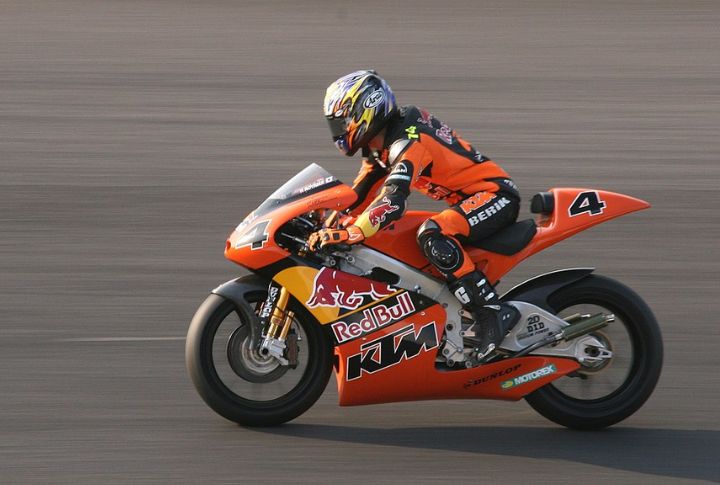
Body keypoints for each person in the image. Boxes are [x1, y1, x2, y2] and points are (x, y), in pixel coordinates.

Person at [309, 70, 520, 358]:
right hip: (470, 200)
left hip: (495, 196)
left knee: (432, 233)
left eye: (343, 121)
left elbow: (393, 200)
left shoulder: (409, 139)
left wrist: (354, 231)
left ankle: (492, 312)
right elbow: (359, 194)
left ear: (366, 109)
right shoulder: (381, 143)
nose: (339, 131)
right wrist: (325, 220)